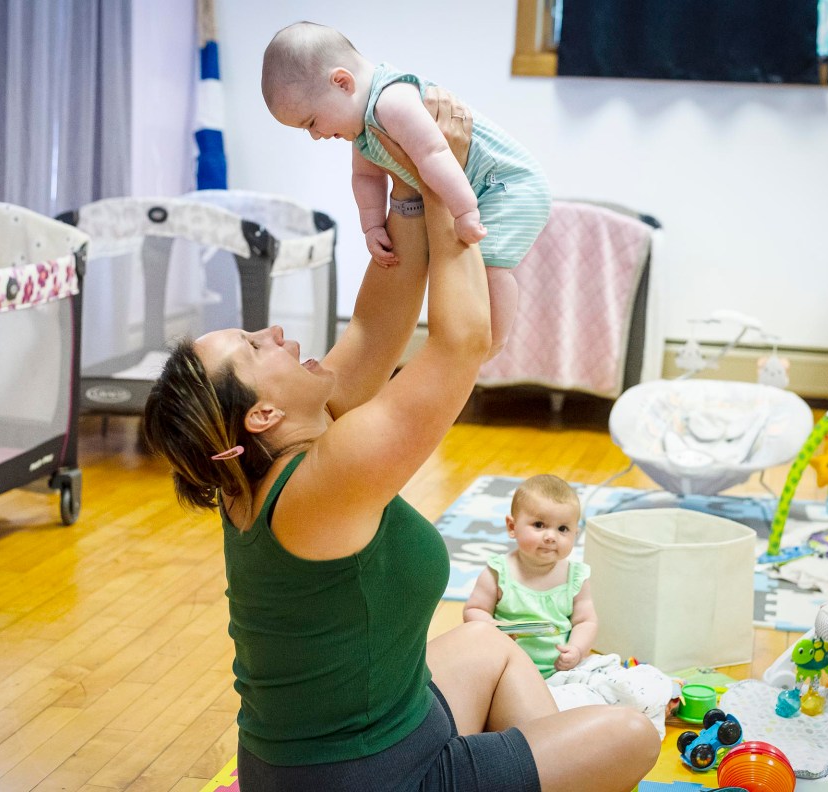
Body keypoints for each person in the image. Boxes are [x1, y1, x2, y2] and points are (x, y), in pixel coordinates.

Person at [145, 88, 657, 791]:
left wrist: (409, 183)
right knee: (630, 736)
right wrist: (446, 178)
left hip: (352, 746)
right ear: (260, 415)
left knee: (489, 644)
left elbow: (376, 326)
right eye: (254, 345)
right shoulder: (326, 479)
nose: (276, 333)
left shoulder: (278, 458)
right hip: (366, 781)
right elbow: (462, 342)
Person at [261, 21, 551, 357]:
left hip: (507, 183)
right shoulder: (363, 130)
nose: (315, 135)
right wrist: (371, 226)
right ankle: (480, 341)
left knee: (490, 264)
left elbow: (436, 154)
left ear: (342, 82)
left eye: (311, 122)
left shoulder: (391, 101)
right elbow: (366, 178)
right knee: (466, 266)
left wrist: (466, 211)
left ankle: (494, 341)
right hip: (480, 188)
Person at [463, 475, 596, 678]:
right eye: (539, 525)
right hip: (504, 671)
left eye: (562, 529)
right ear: (511, 527)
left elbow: (586, 621)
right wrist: (492, 627)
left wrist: (576, 650)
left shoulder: (575, 577)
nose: (550, 536)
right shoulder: (498, 573)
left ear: (575, 535)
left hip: (560, 671)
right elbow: (474, 609)